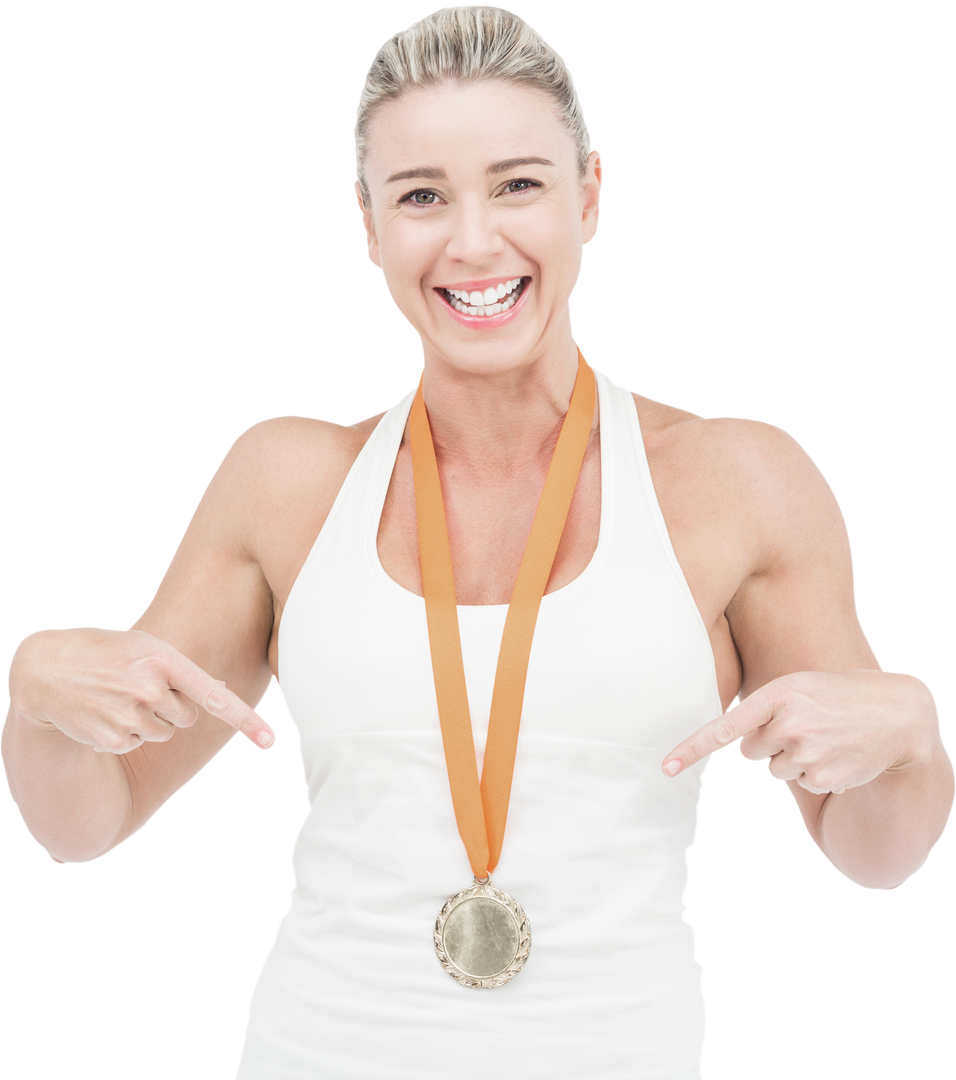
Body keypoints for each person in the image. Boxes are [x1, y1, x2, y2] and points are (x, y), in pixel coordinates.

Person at [2, 4, 953, 1078]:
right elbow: (84, 824)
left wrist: (912, 729)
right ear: (367, 226)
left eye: (516, 184)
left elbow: (875, 858)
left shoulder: (735, 480)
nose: (471, 242)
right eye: (420, 197)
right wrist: (33, 691)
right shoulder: (287, 479)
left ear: (589, 194)